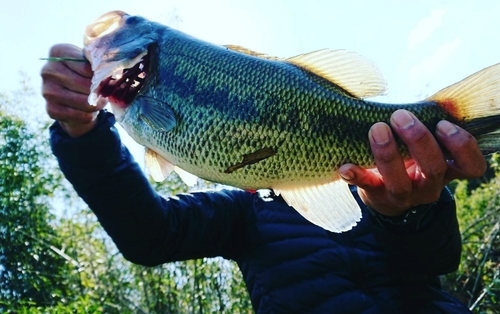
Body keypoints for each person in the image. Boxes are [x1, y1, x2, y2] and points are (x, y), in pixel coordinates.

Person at [42, 43, 486, 314]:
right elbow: (149, 235)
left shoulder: (390, 177)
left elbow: (438, 260)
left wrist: (413, 212)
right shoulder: (245, 212)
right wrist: (82, 136)